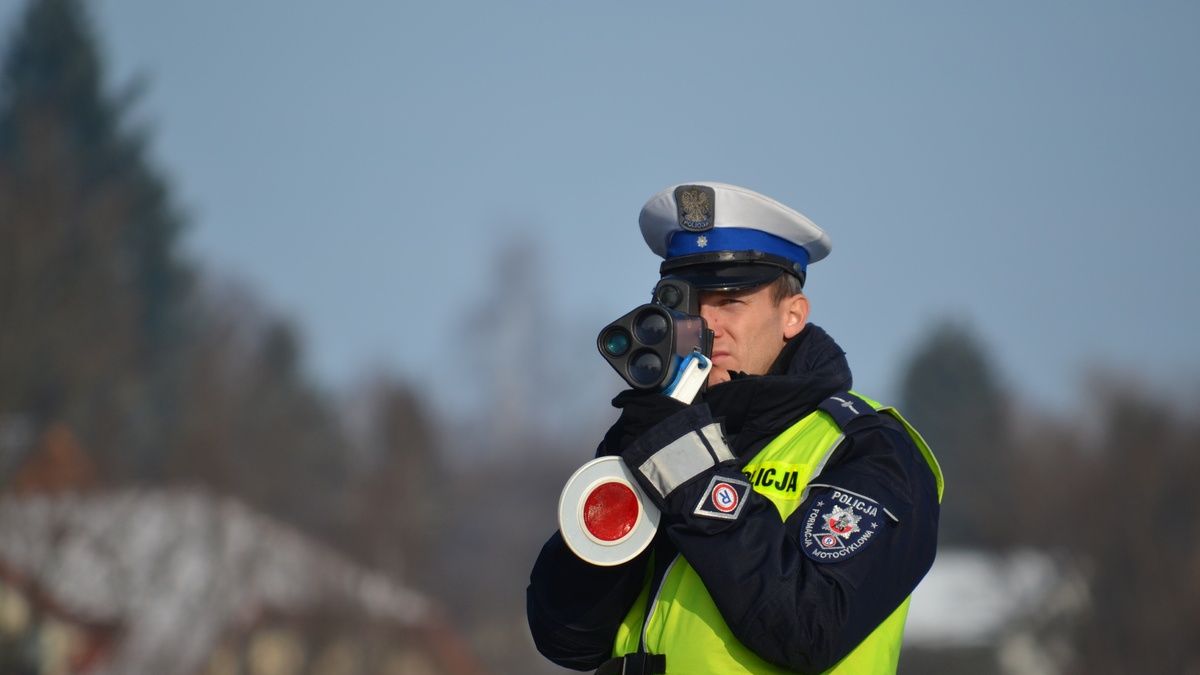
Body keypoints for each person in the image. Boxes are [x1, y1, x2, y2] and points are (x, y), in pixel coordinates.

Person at [527, 182, 943, 674]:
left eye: (730, 301)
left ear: (792, 315)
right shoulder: (659, 433)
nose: (706, 324)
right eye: (689, 302)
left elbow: (809, 628)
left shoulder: (868, 449)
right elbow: (566, 637)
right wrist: (640, 447)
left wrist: (681, 459)